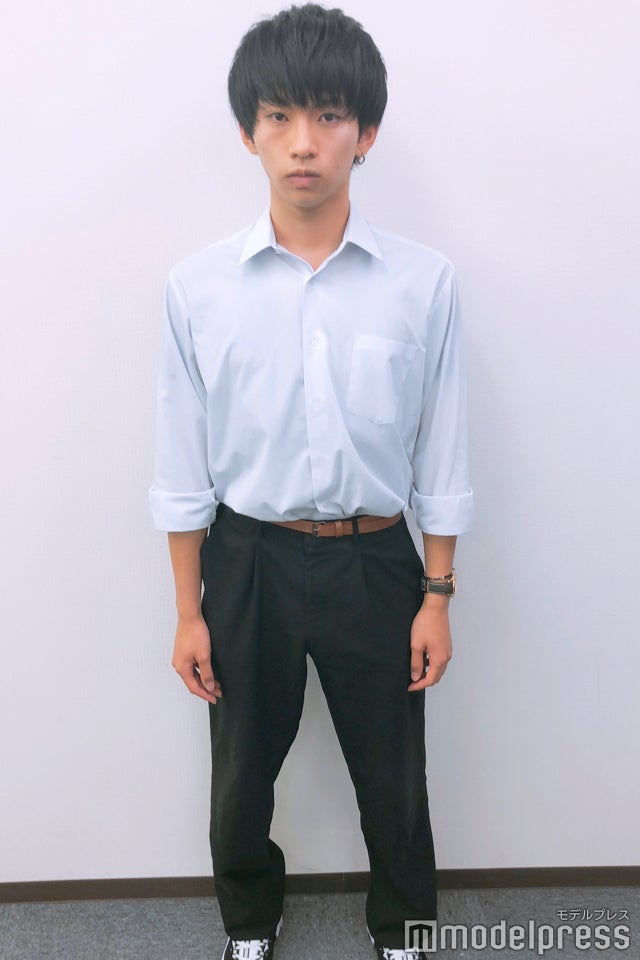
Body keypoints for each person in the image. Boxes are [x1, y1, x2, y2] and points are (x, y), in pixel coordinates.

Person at [148, 4, 474, 958]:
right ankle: (251, 918)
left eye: (329, 116)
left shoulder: (422, 282)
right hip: (246, 559)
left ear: (364, 133)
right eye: (280, 116)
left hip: (376, 561)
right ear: (248, 130)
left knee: (394, 769)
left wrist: (437, 595)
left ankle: (403, 927)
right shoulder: (197, 288)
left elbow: (443, 450)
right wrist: (187, 610)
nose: (304, 143)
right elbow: (181, 463)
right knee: (241, 771)